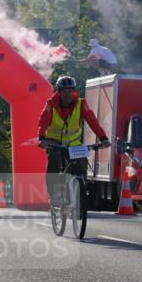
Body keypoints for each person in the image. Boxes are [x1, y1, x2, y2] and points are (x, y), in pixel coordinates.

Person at [37, 76, 110, 205]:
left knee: (82, 162)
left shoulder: (81, 104)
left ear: (74, 91)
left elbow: (92, 121)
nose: (68, 94)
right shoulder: (51, 104)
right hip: (54, 143)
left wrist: (103, 138)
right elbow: (43, 122)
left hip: (74, 143)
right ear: (59, 92)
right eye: (64, 91)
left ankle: (80, 191)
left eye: (70, 91)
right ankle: (53, 195)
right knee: (54, 159)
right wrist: (42, 139)